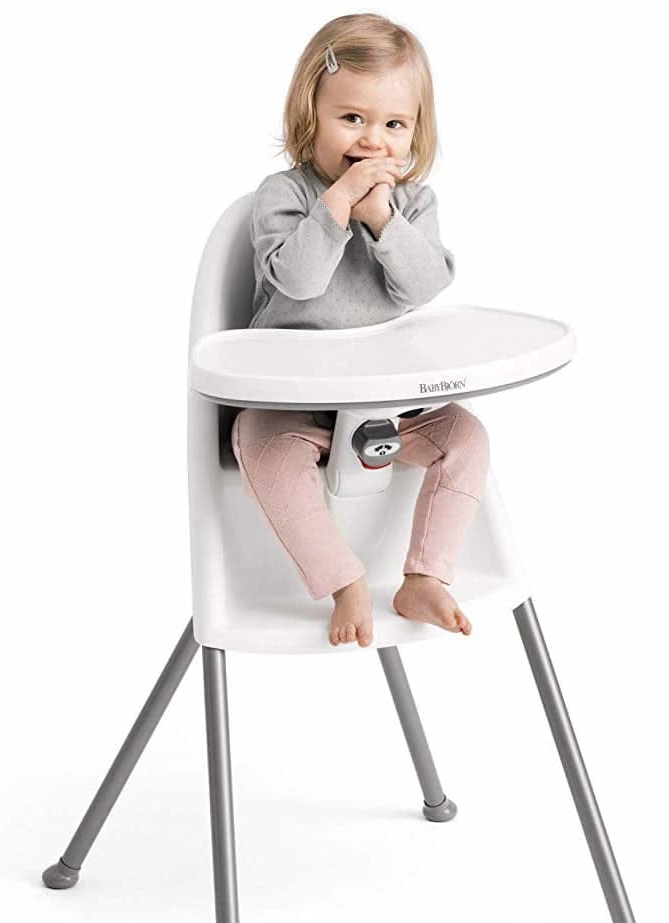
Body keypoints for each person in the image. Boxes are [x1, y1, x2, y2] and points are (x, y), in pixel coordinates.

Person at [231, 13, 490, 649]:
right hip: (295, 403)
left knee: (468, 437)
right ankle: (343, 580)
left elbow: (423, 286)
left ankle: (425, 575)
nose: (373, 140)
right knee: (259, 445)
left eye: (394, 125)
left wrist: (383, 221)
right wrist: (337, 205)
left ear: (416, 131)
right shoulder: (285, 196)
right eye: (352, 118)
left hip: (389, 403)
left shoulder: (414, 204)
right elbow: (298, 282)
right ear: (310, 114)